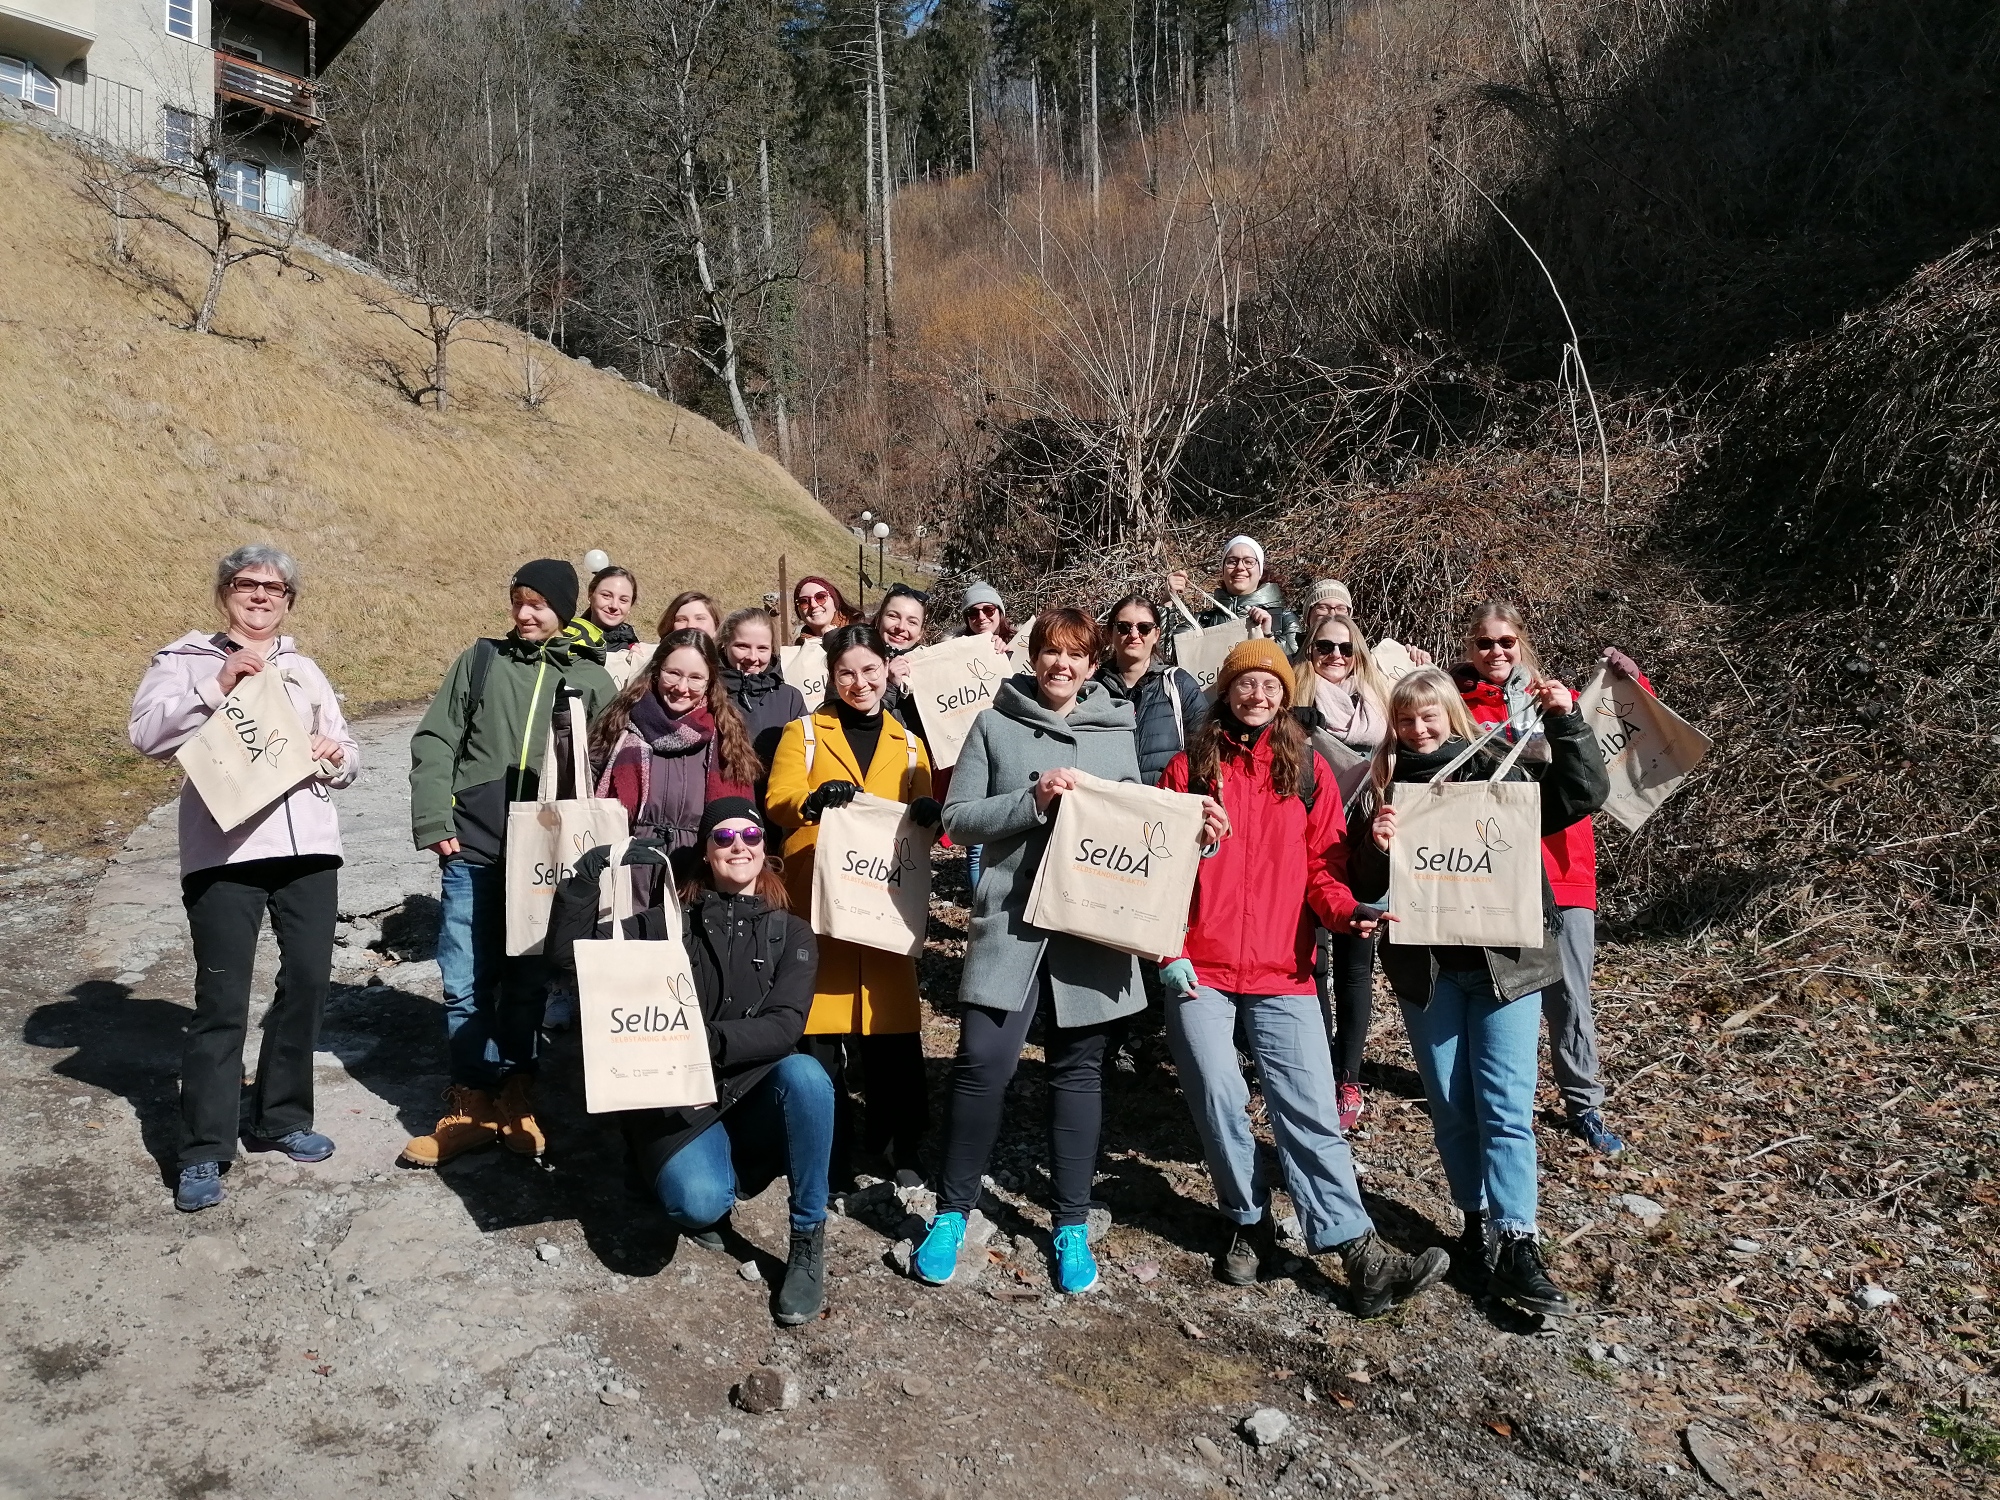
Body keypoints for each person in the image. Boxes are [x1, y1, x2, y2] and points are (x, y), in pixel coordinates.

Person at [1157, 641, 1449, 1314]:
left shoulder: (1307, 773)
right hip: (1197, 968)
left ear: (1283, 695)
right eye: (1244, 684)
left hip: (1284, 970)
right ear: (1226, 692)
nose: (1256, 694)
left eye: (1268, 684)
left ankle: (1358, 1252)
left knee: (1311, 1111)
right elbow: (1160, 866)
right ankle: (1246, 1221)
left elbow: (1323, 868)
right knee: (1219, 1098)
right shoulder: (1188, 769)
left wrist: (1347, 912)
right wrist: (1166, 948)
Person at [1345, 666, 1608, 1318]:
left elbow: (1581, 794)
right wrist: (1374, 848)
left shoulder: (1501, 771)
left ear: (1451, 715)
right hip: (1427, 973)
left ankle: (1519, 1240)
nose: (1419, 728)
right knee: (1453, 1104)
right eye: (1406, 719)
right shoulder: (1383, 788)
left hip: (1505, 966)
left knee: (1506, 1106)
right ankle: (1473, 1223)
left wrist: (1565, 722)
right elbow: (1359, 881)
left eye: (1429, 715)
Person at [915, 608, 1144, 1296]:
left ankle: (1070, 1223)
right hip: (1011, 924)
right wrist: (1032, 798)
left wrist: (1199, 828)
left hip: (1089, 934)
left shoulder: (1118, 731)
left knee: (1079, 1072)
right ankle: (953, 1212)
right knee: (983, 1063)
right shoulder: (993, 725)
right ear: (1032, 657)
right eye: (1051, 653)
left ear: (1092, 665)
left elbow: (1139, 824)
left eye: (1075, 656)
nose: (1062, 666)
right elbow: (957, 821)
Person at [128, 545, 360, 1212]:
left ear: (290, 601)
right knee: (222, 1000)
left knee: (310, 981)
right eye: (246, 584)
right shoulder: (185, 660)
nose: (260, 595)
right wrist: (215, 687)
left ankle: (282, 1117)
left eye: (275, 588)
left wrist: (335, 754)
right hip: (224, 854)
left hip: (309, 850)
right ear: (225, 591)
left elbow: (349, 753)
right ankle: (203, 1148)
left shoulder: (304, 669)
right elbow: (145, 736)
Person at [552, 798, 834, 1325]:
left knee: (807, 1077)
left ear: (764, 848)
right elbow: (572, 961)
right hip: (677, 1100)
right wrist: (585, 879)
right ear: (705, 851)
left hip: (750, 1088)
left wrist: (695, 1039)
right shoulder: (664, 925)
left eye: (749, 836)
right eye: (723, 837)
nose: (738, 847)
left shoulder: (791, 933)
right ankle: (676, 1166)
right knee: (697, 1205)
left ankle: (807, 1236)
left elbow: (784, 1026)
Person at [403, 559, 617, 1168]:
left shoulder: (589, 680)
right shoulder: (480, 662)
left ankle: (518, 1093)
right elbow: (436, 739)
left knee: (526, 982)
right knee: (465, 978)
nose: (525, 614)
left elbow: (603, 773)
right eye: (518, 601)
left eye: (539, 605)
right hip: (472, 847)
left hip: (541, 863)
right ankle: (471, 1101)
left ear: (564, 610)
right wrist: (434, 821)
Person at [1451, 602, 1646, 1156]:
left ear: (1522, 644)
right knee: (1496, 990)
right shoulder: (1454, 705)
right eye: (1485, 642)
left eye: (1506, 642)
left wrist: (1632, 680)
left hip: (1562, 866)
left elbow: (1617, 735)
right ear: (1471, 647)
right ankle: (1496, 1101)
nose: (1496, 652)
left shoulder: (1553, 700)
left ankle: (1583, 1103)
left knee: (1569, 995)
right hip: (1492, 868)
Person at [766, 625, 939, 1185]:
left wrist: (930, 817)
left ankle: (898, 1144)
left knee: (892, 1033)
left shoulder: (910, 744)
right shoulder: (805, 734)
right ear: (831, 676)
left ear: (888, 669)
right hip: (819, 900)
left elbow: (924, 814)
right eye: (847, 673)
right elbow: (778, 800)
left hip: (884, 902)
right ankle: (826, 1149)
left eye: (869, 670)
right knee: (820, 1033)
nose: (859, 682)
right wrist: (812, 800)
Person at [1293, 611, 1393, 1132]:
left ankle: (1346, 1074)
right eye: (1323, 648)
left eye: (1345, 648)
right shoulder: (1294, 711)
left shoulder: (1383, 711)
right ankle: (1310, 1062)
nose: (1335, 657)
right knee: (1314, 964)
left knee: (1357, 965)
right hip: (1311, 849)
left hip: (1366, 851)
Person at [589, 630, 761, 895]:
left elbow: (741, 822)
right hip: (625, 873)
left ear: (709, 682)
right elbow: (586, 795)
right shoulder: (619, 724)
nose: (682, 688)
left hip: (696, 880)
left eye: (695, 678)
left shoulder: (728, 737)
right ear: (657, 672)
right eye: (674, 674)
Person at [1092, 593, 1206, 784]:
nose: (1134, 635)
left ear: (1156, 635)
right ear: (1109, 633)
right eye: (1123, 627)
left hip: (1163, 807)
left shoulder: (1178, 684)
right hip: (1105, 807)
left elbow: (1205, 752)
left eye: (1144, 628)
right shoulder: (1092, 689)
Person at [953, 581, 1016, 891]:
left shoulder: (1019, 649)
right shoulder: (951, 653)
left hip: (1010, 751)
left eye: (988, 609)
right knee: (977, 843)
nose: (981, 617)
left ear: (999, 613)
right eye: (973, 612)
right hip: (972, 752)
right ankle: (981, 903)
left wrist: (1008, 655)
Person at [1169, 535, 1300, 656]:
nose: (1240, 567)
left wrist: (1268, 636)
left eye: (1249, 562)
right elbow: (1168, 653)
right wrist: (1168, 600)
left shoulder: (1284, 619)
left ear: (1260, 571)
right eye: (1232, 561)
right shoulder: (1202, 621)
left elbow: (1297, 664)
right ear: (1223, 571)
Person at [719, 606, 807, 780]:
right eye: (742, 646)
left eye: (762, 648)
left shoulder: (790, 699)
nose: (753, 657)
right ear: (725, 645)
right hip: (725, 802)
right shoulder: (709, 692)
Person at [872, 583, 931, 742]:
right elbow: (856, 723)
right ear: (879, 619)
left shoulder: (931, 667)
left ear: (920, 633)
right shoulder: (856, 659)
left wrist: (994, 644)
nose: (901, 627)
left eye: (912, 622)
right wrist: (891, 686)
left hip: (917, 761)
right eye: (893, 616)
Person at [583, 565, 650, 687]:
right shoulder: (564, 638)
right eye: (606, 595)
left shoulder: (635, 652)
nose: (614, 605)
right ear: (590, 594)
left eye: (623, 600)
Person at [792, 576, 859, 642]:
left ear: (834, 601)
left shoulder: (860, 635)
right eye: (803, 601)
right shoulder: (798, 648)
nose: (813, 605)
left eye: (820, 597)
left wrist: (836, 641)